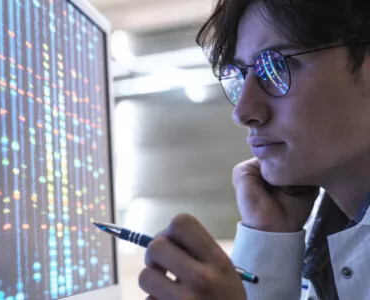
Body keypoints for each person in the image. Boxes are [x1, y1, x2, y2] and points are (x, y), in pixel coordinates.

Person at [137, 0, 370, 299]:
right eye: (240, 76)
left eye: (277, 66)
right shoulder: (330, 238)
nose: (243, 111)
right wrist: (270, 239)